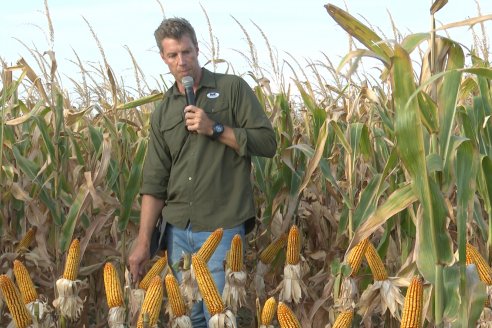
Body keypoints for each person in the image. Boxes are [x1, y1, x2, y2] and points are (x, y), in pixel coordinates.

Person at [128, 17, 276, 326]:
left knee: (219, 315)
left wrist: (215, 127)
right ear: (163, 58)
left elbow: (267, 142)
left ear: (198, 49)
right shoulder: (164, 111)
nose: (181, 62)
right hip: (178, 229)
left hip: (222, 227)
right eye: (173, 55)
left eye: (187, 52)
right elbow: (155, 181)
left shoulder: (231, 89)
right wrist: (143, 240)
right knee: (188, 317)